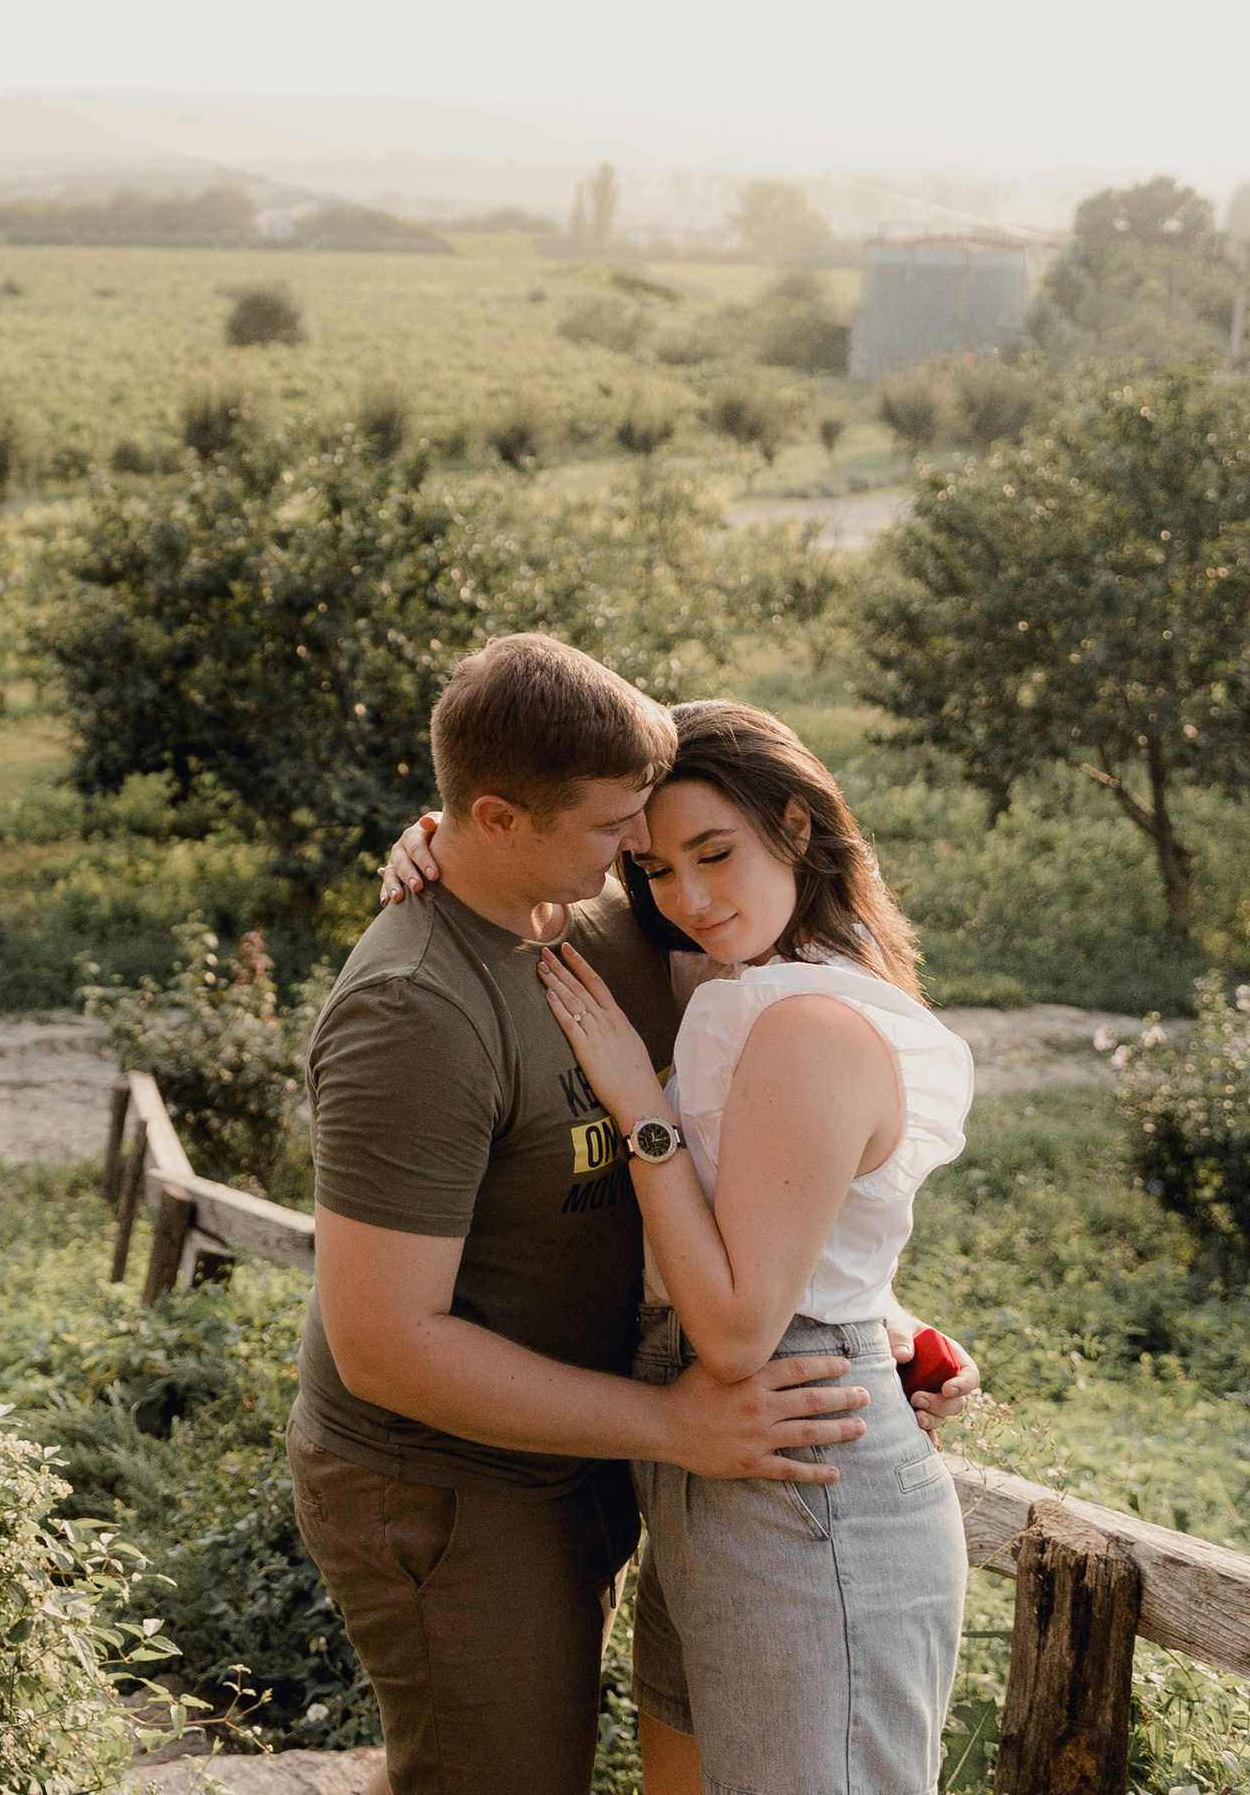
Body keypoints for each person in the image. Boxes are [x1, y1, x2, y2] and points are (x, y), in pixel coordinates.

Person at [294, 636, 975, 1795]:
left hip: (602, 1441)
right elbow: (383, 1348)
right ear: (502, 819)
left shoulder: (613, 923)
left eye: (658, 843)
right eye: (625, 835)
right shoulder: (413, 1009)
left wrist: (873, 1315)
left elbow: (766, 1160)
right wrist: (673, 1426)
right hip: (451, 1480)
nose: (644, 861)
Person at [532, 701, 973, 1795]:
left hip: (796, 1478)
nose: (687, 897)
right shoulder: (740, 986)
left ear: (795, 823)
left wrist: (638, 1099)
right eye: (655, 869)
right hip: (706, 1469)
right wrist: (431, 838)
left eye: (714, 853)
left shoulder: (810, 1021)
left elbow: (735, 1332)